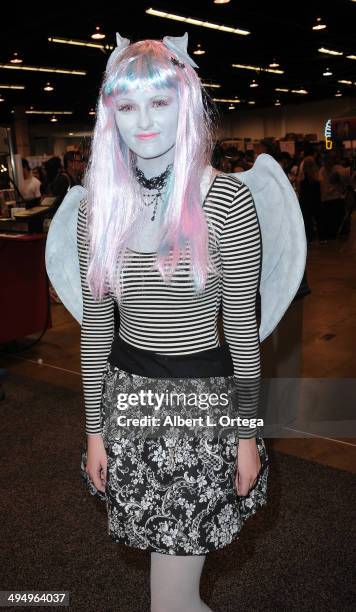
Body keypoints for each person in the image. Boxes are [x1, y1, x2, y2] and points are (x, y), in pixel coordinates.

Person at [77, 33, 268, 612]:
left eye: (159, 102)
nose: (144, 121)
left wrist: (246, 434)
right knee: (167, 588)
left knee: (170, 597)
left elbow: (242, 334)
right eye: (127, 106)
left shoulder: (226, 200)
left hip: (202, 415)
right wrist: (92, 430)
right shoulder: (99, 206)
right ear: (111, 115)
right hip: (128, 408)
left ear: (185, 105)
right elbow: (95, 331)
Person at [48, 151, 82, 218]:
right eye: (78, 161)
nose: (80, 164)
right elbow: (57, 202)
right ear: (69, 163)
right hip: (64, 219)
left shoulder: (76, 179)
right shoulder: (63, 179)